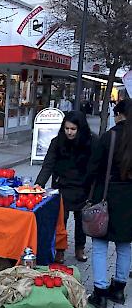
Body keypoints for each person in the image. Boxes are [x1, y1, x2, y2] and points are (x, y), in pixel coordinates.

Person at [85, 98, 132, 308]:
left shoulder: (109, 137)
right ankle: (119, 290)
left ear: (120, 114)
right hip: (130, 198)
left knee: (100, 244)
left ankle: (100, 293)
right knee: (124, 244)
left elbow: (92, 168)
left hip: (107, 195)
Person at [35, 111, 96, 263]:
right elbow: (48, 165)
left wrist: (95, 189)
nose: (69, 132)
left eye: (73, 129)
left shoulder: (92, 141)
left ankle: (80, 248)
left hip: (83, 187)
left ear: (80, 128)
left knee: (81, 219)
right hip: (62, 185)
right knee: (60, 221)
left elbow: (96, 166)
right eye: (67, 128)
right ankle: (59, 249)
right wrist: (39, 184)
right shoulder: (57, 141)